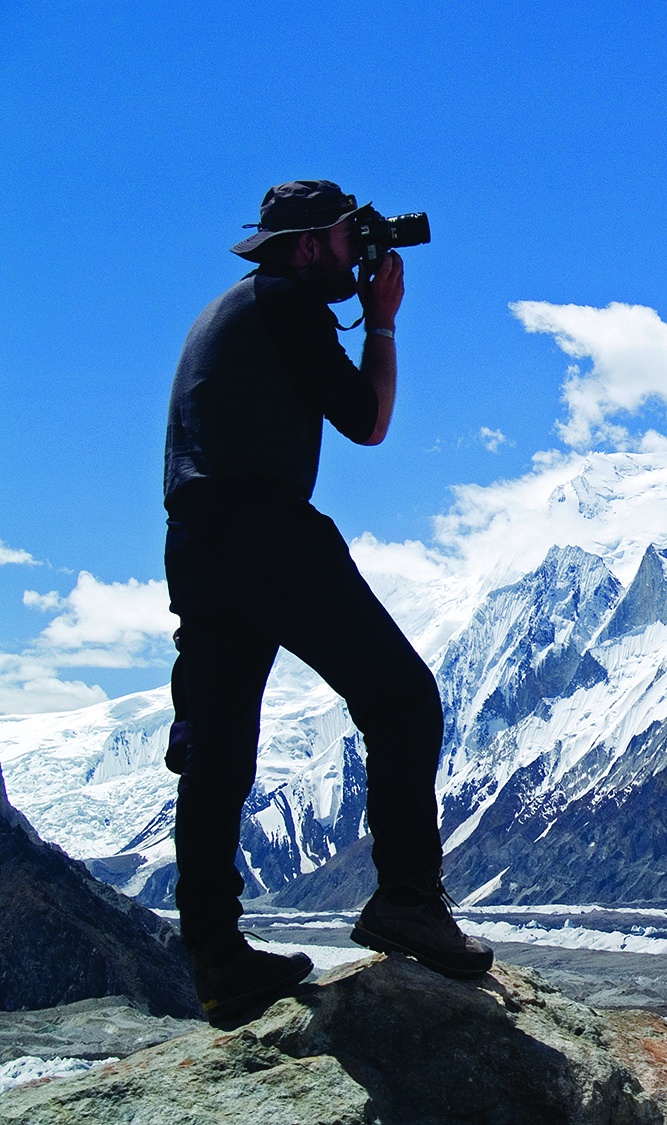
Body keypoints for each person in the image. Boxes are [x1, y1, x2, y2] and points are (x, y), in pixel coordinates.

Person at [163, 180, 491, 1019]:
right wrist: (382, 318)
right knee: (402, 698)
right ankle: (409, 902)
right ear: (308, 245)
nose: (362, 252)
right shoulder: (287, 302)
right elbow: (367, 420)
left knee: (219, 756)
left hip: (197, 544)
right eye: (351, 238)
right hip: (266, 530)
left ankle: (216, 958)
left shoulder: (227, 310)